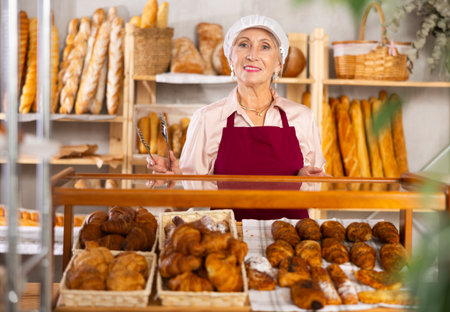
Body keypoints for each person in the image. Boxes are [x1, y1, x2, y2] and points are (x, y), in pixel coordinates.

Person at [147, 14, 326, 220]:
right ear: (230, 58)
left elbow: (313, 190)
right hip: (228, 242)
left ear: (278, 63)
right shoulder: (207, 118)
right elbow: (197, 194)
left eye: (265, 47)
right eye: (243, 45)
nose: (252, 55)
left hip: (291, 240)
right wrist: (180, 172)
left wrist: (302, 180)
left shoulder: (302, 117)